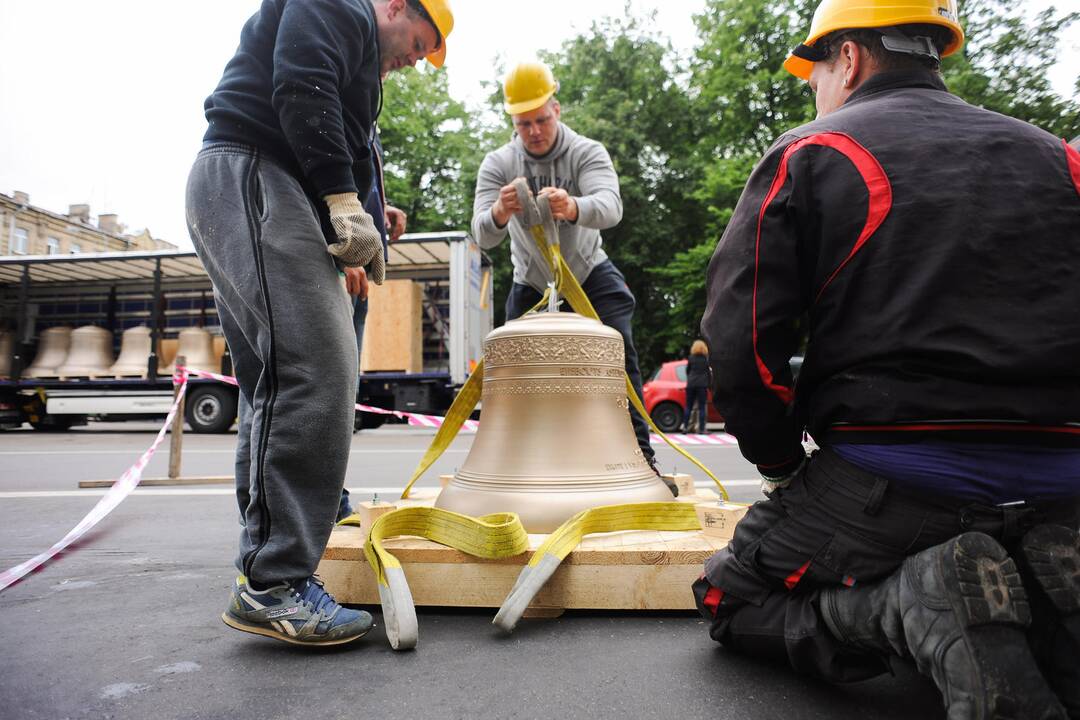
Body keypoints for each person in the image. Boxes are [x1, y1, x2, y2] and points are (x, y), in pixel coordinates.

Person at [692, 0, 1080, 716]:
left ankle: (908, 605)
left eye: (814, 72)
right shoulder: (1063, 160)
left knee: (729, 596)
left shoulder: (814, 152)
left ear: (848, 57)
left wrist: (781, 466)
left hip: (893, 483)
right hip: (1065, 483)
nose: (814, 91)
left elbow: (742, 342)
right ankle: (1049, 616)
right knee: (1036, 554)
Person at [186, 0, 453, 647]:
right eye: (417, 44)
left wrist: (363, 208)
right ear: (396, 7)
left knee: (273, 385)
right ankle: (275, 582)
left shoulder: (356, 42)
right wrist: (340, 200)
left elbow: (340, 125)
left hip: (248, 180)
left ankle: (268, 567)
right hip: (255, 174)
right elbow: (302, 80)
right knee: (320, 370)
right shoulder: (344, 5)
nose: (412, 62)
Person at [471, 60, 669, 491]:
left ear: (556, 109)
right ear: (513, 121)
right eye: (524, 124)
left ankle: (642, 460)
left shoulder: (586, 151)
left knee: (620, 358)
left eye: (541, 119)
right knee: (512, 374)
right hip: (531, 282)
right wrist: (500, 211)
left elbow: (612, 207)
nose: (535, 131)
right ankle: (515, 466)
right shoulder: (498, 163)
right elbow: (481, 235)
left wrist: (574, 206)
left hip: (589, 273)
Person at [682, 340, 710, 435]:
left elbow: (687, 371)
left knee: (688, 406)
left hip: (691, 385)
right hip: (702, 385)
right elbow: (708, 373)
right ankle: (701, 429)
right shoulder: (706, 359)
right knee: (702, 407)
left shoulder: (691, 358)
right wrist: (709, 384)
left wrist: (690, 380)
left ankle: (685, 428)